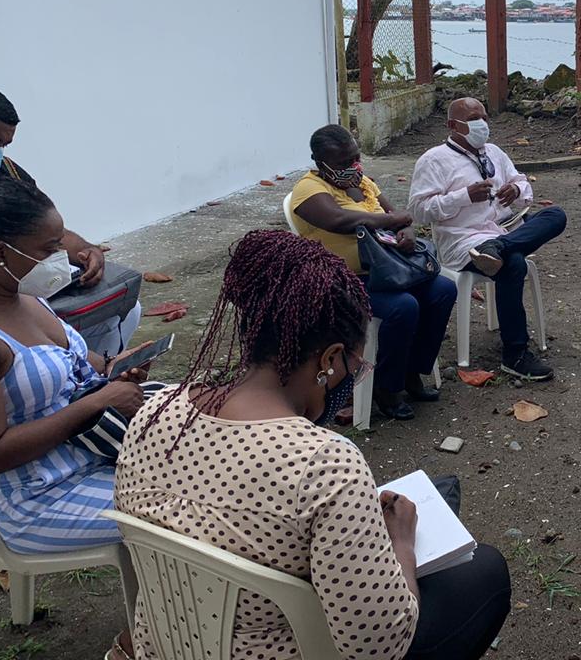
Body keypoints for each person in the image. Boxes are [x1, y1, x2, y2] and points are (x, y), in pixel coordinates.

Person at [117, 231, 511, 660]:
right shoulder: (325, 464)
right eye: (354, 366)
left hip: (168, 644)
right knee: (484, 570)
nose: (351, 378)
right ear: (328, 359)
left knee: (442, 490)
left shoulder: (155, 413)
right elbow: (378, 647)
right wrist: (401, 544)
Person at [0, 172, 148, 660]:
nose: (62, 258)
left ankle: (169, 623)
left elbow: (81, 366)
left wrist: (116, 367)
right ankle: (143, 642)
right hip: (26, 498)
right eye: (50, 248)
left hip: (85, 459)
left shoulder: (26, 298)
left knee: (203, 473)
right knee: (183, 520)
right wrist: (94, 404)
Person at [0, 86, 141, 357]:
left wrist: (86, 251)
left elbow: (38, 225)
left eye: (3, 145)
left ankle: (91, 376)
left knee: (122, 308)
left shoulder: (2, 171)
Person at [289, 124, 455, 420]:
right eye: (344, 162)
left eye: (356, 157)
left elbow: (399, 219)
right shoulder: (308, 189)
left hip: (387, 269)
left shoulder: (363, 182)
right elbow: (339, 220)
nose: (354, 166)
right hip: (341, 281)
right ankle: (386, 387)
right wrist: (391, 221)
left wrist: (407, 232)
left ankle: (412, 372)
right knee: (403, 307)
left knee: (443, 290)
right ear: (320, 162)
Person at [408, 98, 566, 381]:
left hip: (502, 232)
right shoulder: (433, 160)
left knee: (555, 215)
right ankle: (515, 354)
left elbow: (522, 182)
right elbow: (419, 210)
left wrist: (516, 191)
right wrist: (463, 196)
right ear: (453, 125)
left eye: (484, 117)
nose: (482, 124)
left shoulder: (494, 152)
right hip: (462, 242)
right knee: (513, 263)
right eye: (473, 119)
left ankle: (498, 247)